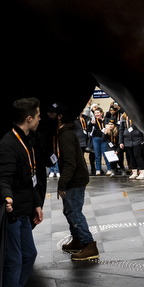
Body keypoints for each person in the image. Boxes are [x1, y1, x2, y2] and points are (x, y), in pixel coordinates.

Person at [0, 98, 44, 287]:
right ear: (29, 118)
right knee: (14, 259)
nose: (39, 119)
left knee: (29, 255)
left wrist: (36, 203)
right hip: (14, 212)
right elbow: (4, 178)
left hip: (25, 209)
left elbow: (29, 180)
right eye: (37, 116)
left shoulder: (26, 141)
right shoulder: (9, 144)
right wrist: (7, 197)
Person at [55, 107, 98, 260]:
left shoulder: (65, 135)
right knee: (69, 211)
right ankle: (78, 240)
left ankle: (89, 245)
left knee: (74, 212)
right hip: (75, 179)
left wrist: (62, 184)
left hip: (74, 180)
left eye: (52, 114)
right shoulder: (64, 133)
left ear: (60, 116)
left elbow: (70, 163)